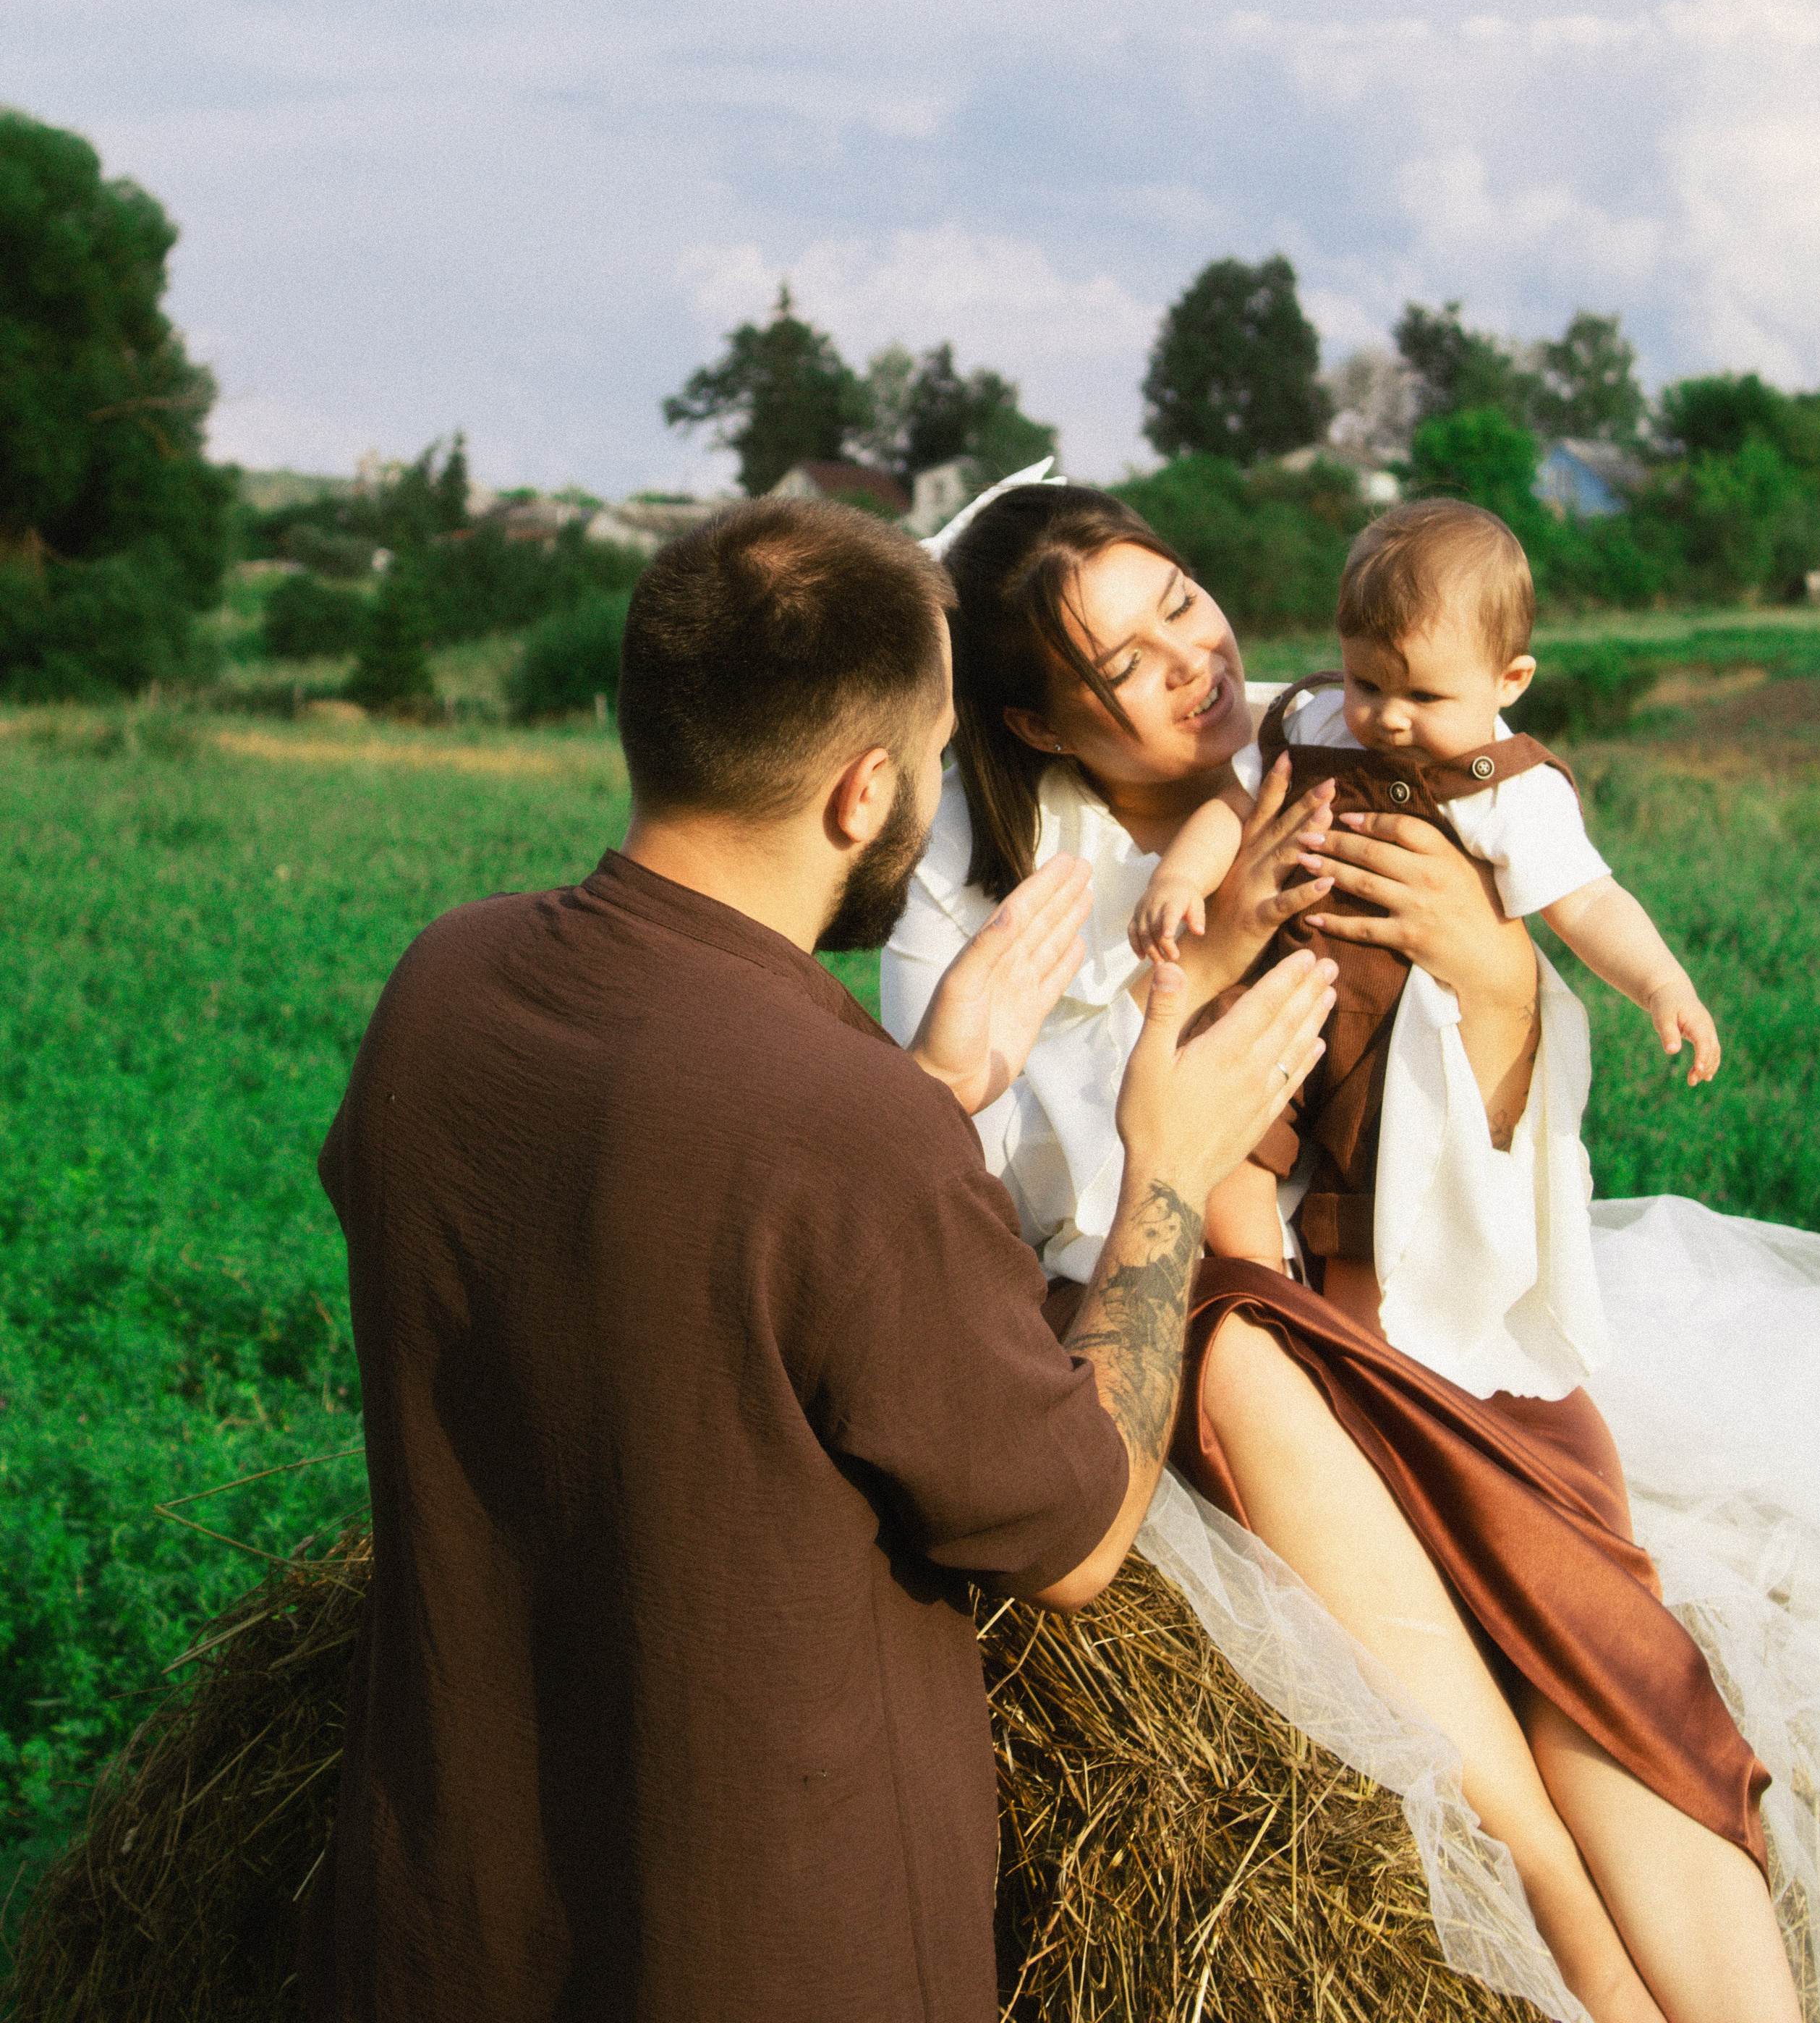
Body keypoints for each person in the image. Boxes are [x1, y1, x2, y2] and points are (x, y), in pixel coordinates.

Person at [300, 495, 1336, 2023]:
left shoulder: (441, 984)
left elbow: (666, 1234)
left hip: (443, 1937)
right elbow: (1073, 1538)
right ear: (863, 792)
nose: (928, 800)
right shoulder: (844, 1129)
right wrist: (1163, 1178)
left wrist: (930, 1091)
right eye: (925, 769)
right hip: (766, 1953)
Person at [882, 479, 1803, 2023]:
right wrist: (1223, 949)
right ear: (1041, 724)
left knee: (1596, 1661)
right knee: (1244, 1356)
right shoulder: (1005, 883)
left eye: (1179, 597)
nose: (1192, 656)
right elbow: (1014, 1187)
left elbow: (1500, 1084)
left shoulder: (1353, 744)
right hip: (1204, 1302)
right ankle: (1570, 1935)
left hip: (1422, 1273)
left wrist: (1494, 977)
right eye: (1122, 662)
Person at [1124, 497, 1719, 1403]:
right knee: (1230, 1163)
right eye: (1369, 684)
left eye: (1425, 697)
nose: (1389, 719)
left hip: (1388, 1044)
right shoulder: (1317, 722)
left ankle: (1367, 1374)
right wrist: (1180, 878)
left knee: (1375, 1218)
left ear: (1509, 680)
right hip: (1272, 999)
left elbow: (1589, 901)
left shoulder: (1510, 792)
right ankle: (1262, 1304)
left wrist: (1660, 982)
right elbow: (1231, 808)